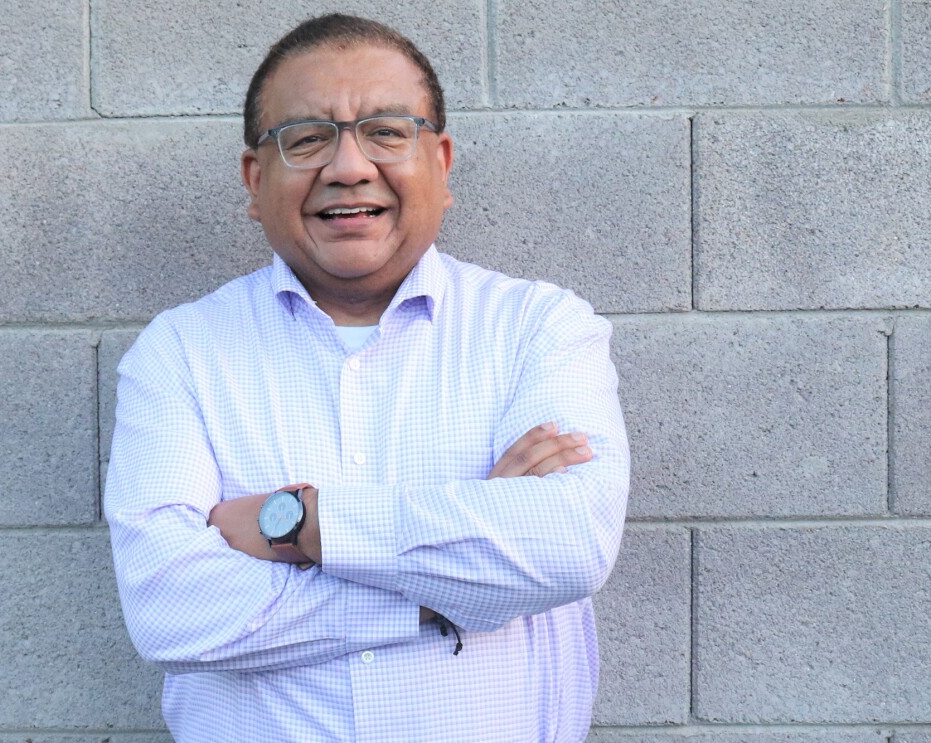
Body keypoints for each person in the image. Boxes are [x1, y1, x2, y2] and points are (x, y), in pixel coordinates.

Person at [105, 13, 629, 743]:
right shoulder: (180, 352)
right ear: (256, 179)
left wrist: (295, 525)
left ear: (440, 164)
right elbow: (170, 608)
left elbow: (569, 543)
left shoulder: (538, 328)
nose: (348, 166)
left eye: (386, 130)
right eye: (308, 138)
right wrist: (453, 588)